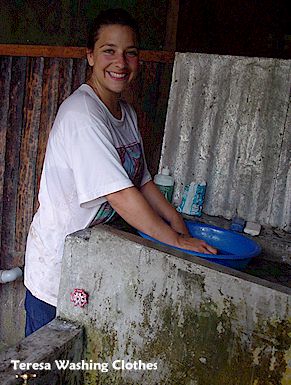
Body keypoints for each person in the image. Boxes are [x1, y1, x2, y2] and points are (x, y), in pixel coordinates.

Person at [24, 8, 216, 337]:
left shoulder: (125, 114)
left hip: (89, 259)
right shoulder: (82, 115)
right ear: (90, 56)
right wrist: (175, 240)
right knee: (46, 367)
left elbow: (139, 180)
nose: (121, 63)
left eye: (131, 53)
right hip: (57, 267)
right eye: (109, 51)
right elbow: (121, 194)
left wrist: (175, 221)